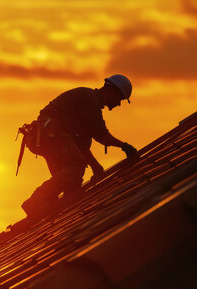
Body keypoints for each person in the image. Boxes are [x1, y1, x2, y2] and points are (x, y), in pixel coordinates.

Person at [20, 74, 138, 218]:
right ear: (111, 91)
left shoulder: (88, 103)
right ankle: (35, 202)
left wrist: (96, 167)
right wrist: (124, 146)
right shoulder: (89, 100)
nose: (118, 104)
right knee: (76, 168)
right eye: (119, 99)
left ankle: (45, 205)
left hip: (48, 137)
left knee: (72, 184)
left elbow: (81, 146)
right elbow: (101, 135)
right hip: (51, 134)